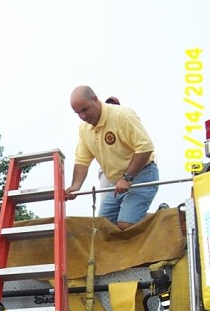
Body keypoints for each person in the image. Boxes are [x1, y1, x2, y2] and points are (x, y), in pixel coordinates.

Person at [66, 85, 159, 230]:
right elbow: (82, 160)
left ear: (95, 100)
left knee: (125, 225)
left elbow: (145, 148)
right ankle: (138, 217)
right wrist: (75, 187)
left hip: (142, 174)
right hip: (116, 183)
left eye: (85, 109)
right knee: (102, 228)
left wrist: (127, 178)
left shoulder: (123, 116)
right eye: (78, 113)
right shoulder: (84, 129)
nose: (83, 116)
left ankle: (161, 217)